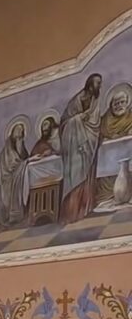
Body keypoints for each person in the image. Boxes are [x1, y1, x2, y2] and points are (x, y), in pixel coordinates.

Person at [59, 73, 102, 223]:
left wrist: (90, 132)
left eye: (100, 83)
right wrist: (78, 119)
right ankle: (72, 212)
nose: (99, 86)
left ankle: (86, 208)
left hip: (90, 143)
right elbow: (64, 123)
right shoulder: (76, 101)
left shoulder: (96, 101)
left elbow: (95, 123)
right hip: (74, 146)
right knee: (75, 176)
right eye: (97, 83)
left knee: (88, 176)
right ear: (90, 84)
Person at [0, 122, 29, 234]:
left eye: (21, 132)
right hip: (6, 180)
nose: (19, 134)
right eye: (17, 131)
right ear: (12, 133)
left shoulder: (20, 145)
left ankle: (19, 215)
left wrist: (25, 158)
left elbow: (24, 158)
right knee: (7, 200)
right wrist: (25, 162)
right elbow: (12, 164)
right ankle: (10, 217)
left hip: (15, 177)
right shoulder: (8, 149)